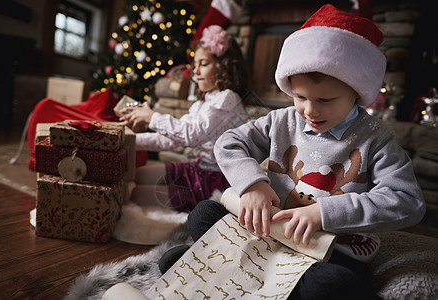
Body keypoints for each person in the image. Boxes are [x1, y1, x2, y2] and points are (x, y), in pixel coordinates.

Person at [159, 5, 426, 299]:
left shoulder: (376, 138)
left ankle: (233, 270)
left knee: (333, 286)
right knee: (203, 214)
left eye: (325, 99)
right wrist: (253, 186)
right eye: (300, 97)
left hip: (326, 250)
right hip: (267, 234)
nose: (310, 110)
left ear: (356, 92)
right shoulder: (282, 120)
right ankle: (250, 270)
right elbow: (229, 142)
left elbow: (407, 201)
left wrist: (324, 213)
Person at [120, 25, 250, 213]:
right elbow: (170, 141)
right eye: (195, 65)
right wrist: (128, 140)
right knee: (140, 175)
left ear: (223, 67)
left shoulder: (228, 98)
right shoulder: (202, 103)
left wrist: (152, 118)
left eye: (203, 64)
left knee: (137, 194)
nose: (196, 72)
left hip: (215, 180)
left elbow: (192, 136)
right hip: (197, 169)